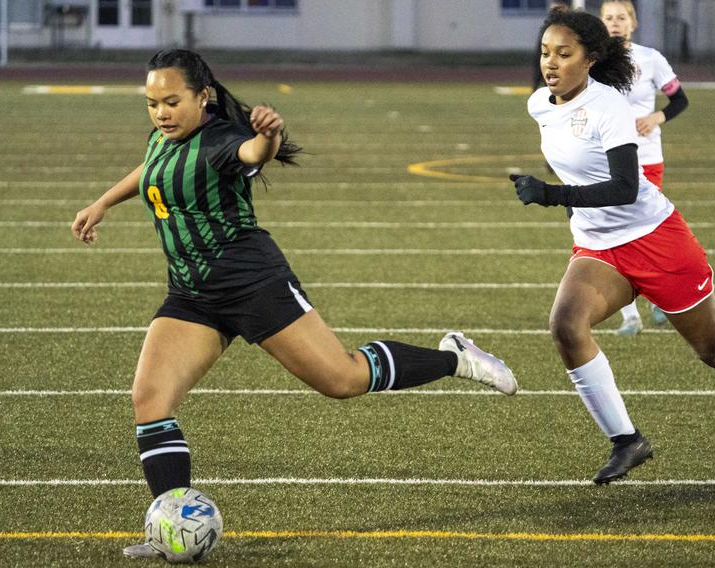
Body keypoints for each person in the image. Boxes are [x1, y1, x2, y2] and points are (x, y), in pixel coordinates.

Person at [70, 49, 518, 559]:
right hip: (192, 294)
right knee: (149, 399)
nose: (161, 113)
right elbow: (151, 165)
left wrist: (270, 136)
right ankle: (170, 525)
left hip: (253, 284)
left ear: (203, 97)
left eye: (172, 102)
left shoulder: (221, 141)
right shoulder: (163, 138)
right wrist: (103, 201)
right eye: (152, 104)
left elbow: (253, 155)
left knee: (342, 379)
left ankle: (456, 356)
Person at [510, 8, 715, 493]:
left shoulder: (609, 107)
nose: (551, 62)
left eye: (564, 54)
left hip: (657, 241)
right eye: (546, 52)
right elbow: (578, 174)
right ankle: (626, 439)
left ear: (589, 59)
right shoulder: (539, 105)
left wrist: (553, 195)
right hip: (600, 248)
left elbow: (626, 187)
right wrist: (575, 215)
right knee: (566, 326)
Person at [600, 0, 689, 336]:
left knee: (647, 231)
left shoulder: (651, 59)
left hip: (647, 156)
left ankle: (659, 298)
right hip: (605, 158)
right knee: (613, 233)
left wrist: (656, 117)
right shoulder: (592, 61)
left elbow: (680, 99)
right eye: (608, 18)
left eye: (621, 17)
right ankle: (630, 316)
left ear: (633, 23)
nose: (615, 23)